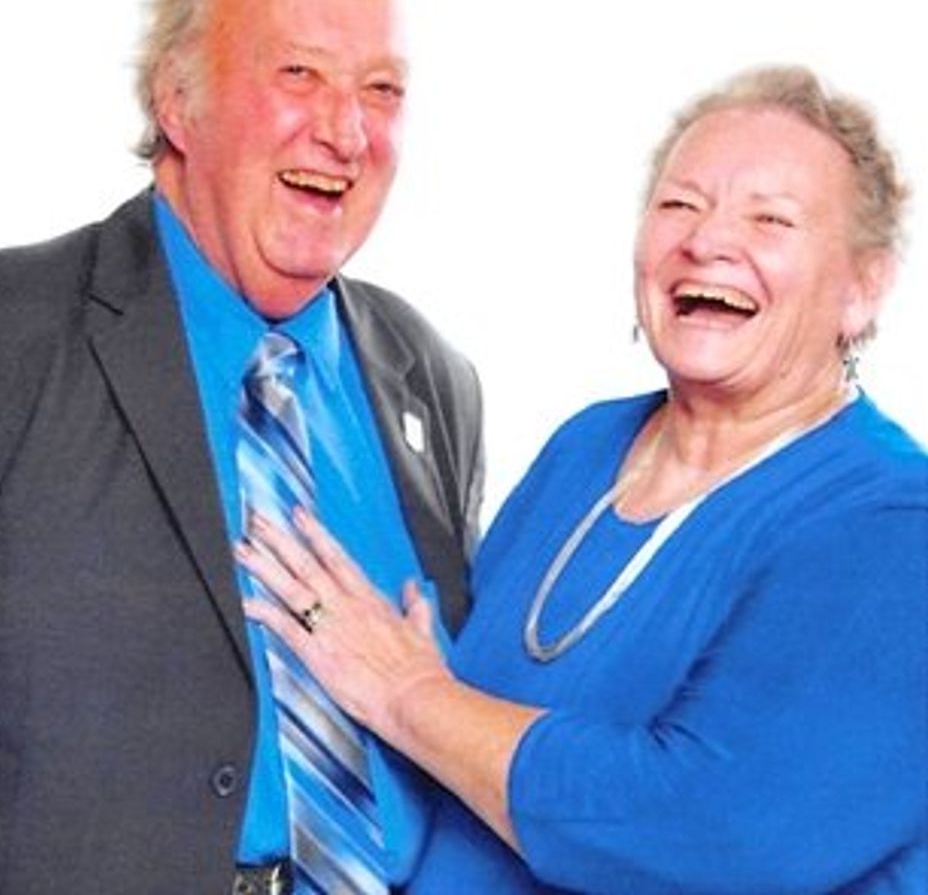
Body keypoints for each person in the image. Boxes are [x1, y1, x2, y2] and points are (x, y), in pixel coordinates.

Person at [0, 0, 484, 895]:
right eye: (299, 74)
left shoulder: (431, 376)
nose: (346, 132)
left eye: (380, 90)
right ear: (178, 98)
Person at [243, 66, 927, 893]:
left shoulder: (894, 523)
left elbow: (710, 835)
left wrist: (410, 695)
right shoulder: (588, 446)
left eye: (770, 218)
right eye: (679, 204)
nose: (707, 240)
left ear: (863, 288)